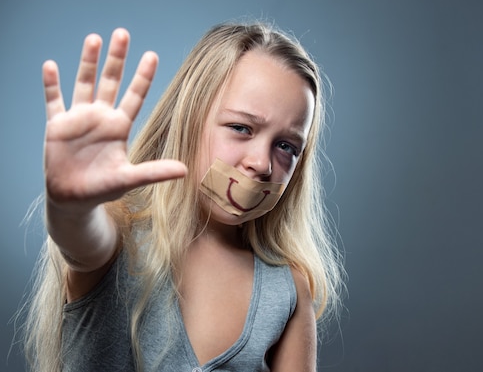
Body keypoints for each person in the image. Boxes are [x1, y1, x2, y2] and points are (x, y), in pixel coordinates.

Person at [22, 22, 344, 372]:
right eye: (241, 128)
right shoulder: (119, 237)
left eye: (286, 146)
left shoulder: (286, 292)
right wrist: (72, 207)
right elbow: (81, 239)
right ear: (189, 117)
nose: (261, 163)